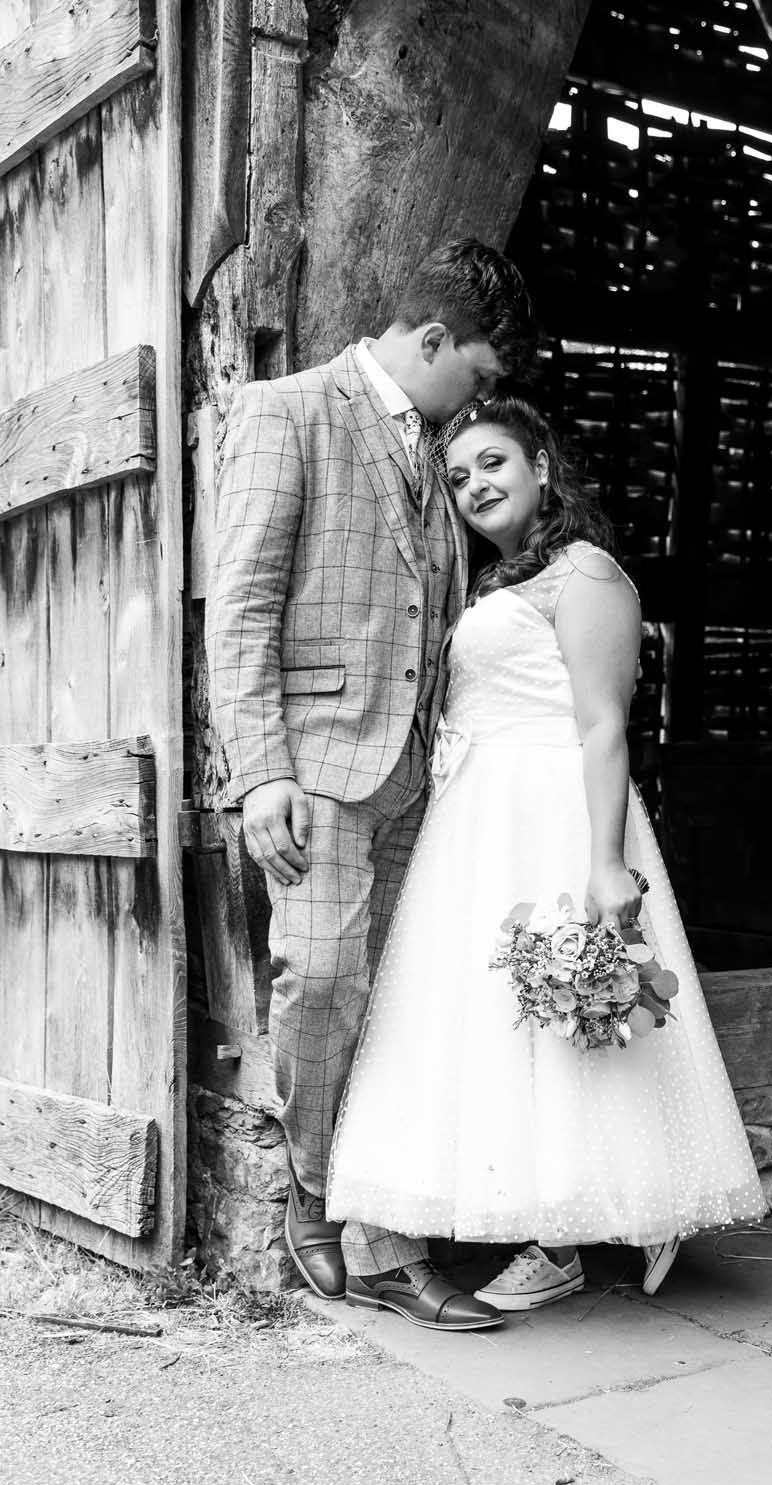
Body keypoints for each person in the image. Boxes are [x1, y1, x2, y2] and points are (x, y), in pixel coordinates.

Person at [326, 397, 766, 1318]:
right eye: (457, 477)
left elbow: (604, 727)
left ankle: (581, 1231)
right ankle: (548, 1220)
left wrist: (605, 863)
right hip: (475, 817)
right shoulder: (496, 584)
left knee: (567, 1015)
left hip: (550, 809)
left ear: (543, 468)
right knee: (496, 1019)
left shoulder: (587, 575)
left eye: (493, 463)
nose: (475, 485)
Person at [207, 240, 537, 1333]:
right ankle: (313, 1189)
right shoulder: (283, 411)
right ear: (432, 340)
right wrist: (260, 773)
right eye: (478, 374)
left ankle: (385, 1219)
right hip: (316, 771)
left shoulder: (438, 450)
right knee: (325, 974)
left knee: (396, 1001)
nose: (481, 397)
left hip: (416, 779)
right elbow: (243, 604)